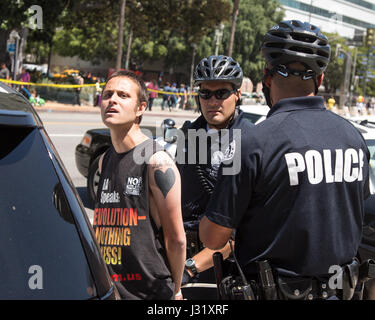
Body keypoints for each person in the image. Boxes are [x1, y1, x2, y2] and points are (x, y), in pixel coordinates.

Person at [199, 20, 371, 300]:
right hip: (340, 293)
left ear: (267, 77)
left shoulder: (253, 142)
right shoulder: (352, 137)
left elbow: (213, 238)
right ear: (321, 79)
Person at [93, 70, 186, 300]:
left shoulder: (156, 161)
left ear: (141, 108)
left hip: (150, 294)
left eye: (123, 95)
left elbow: (176, 239)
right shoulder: (105, 160)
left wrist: (176, 290)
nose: (112, 100)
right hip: (112, 291)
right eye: (107, 95)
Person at [176, 55, 254, 296]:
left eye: (221, 93)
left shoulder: (251, 141)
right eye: (205, 94)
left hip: (222, 267)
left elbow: (244, 225)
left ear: (237, 94)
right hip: (179, 256)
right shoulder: (187, 135)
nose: (213, 101)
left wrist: (190, 268)